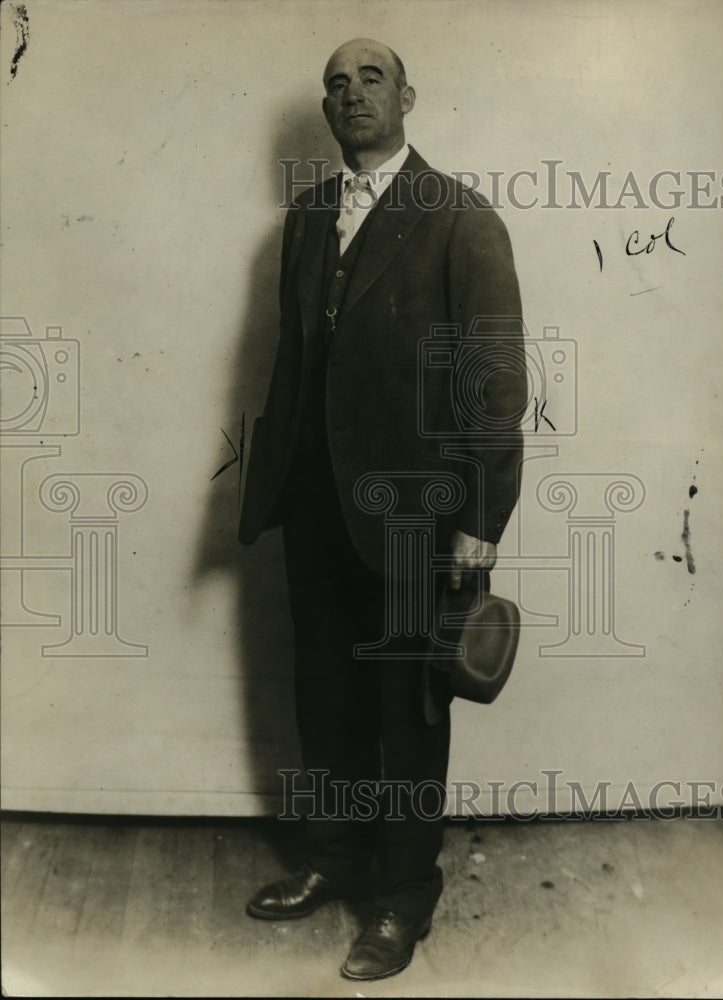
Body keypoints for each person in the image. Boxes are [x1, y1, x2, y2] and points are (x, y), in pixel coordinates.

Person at [238, 37, 526, 982]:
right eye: (335, 83)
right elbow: (293, 365)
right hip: (316, 506)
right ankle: (333, 857)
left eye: (370, 77)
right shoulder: (306, 217)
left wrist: (479, 520)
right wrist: (273, 488)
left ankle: (404, 897)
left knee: (407, 710)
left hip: (416, 518)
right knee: (323, 693)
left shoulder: (461, 217)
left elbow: (493, 384)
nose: (350, 92)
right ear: (325, 110)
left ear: (407, 96)